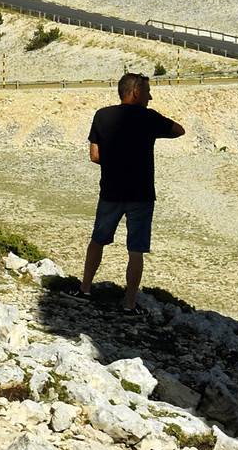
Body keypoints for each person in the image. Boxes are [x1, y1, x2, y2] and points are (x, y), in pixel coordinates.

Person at [79, 71, 185, 312]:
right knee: (136, 249)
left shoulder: (102, 115)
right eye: (147, 92)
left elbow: (94, 156)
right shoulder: (149, 118)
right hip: (141, 194)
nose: (150, 97)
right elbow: (179, 130)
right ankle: (129, 303)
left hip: (111, 191)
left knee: (98, 240)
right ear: (136, 91)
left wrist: (115, 158)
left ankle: (84, 289)